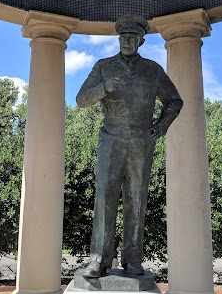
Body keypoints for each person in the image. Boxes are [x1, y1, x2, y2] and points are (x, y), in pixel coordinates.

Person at [76, 15, 183, 278]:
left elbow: (174, 101)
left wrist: (160, 126)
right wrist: (103, 87)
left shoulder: (152, 70)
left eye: (132, 38)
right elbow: (80, 100)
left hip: (140, 140)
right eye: (123, 37)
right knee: (104, 197)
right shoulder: (103, 66)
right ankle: (99, 260)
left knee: (136, 199)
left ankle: (132, 259)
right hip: (110, 137)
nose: (126, 41)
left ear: (141, 41)